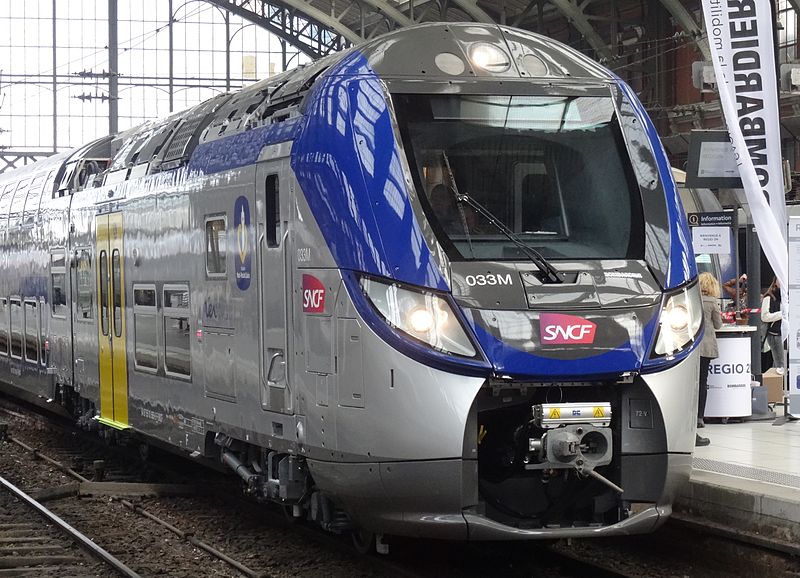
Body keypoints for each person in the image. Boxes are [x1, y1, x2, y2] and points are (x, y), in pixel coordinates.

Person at [696, 272, 723, 446]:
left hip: (693, 347)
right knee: (703, 382)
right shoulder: (713, 302)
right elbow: (718, 324)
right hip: (706, 347)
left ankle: (689, 416)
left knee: (692, 382)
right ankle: (700, 416)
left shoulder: (693, 300)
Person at [761, 277, 784, 375]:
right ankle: (776, 386)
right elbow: (764, 317)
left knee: (782, 364)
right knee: (779, 364)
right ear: (775, 282)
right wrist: (782, 314)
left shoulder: (786, 298)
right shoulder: (768, 297)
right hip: (775, 334)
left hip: (785, 333)